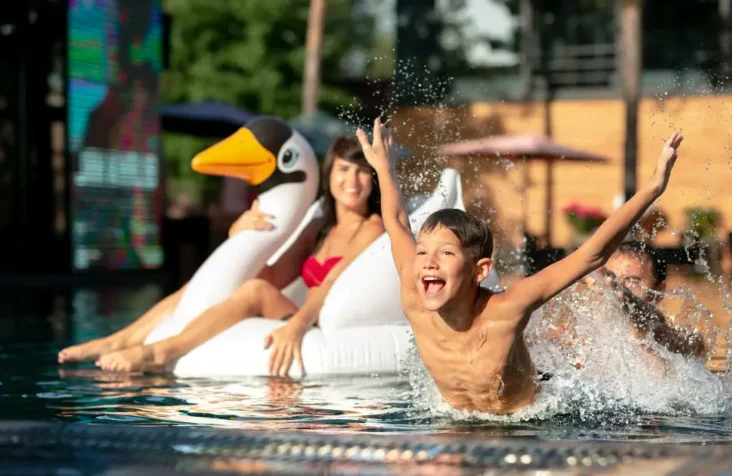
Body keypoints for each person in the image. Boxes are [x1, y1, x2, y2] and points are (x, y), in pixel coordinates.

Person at [356, 117, 684, 414]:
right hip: (457, 420)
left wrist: (652, 187)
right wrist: (384, 168)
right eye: (423, 252)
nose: (428, 262)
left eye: (446, 254)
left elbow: (590, 256)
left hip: (525, 420)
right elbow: (397, 223)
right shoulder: (414, 291)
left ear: (480, 271)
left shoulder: (506, 309)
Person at [59, 137, 384, 375]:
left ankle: (159, 352)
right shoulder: (319, 223)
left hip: (318, 320)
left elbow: (329, 286)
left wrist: (297, 325)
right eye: (343, 169)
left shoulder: (371, 227)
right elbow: (271, 274)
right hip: (297, 312)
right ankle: (118, 339)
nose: (351, 181)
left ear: (373, 179)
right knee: (200, 285)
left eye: (362, 172)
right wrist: (240, 240)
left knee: (254, 292)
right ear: (329, 173)